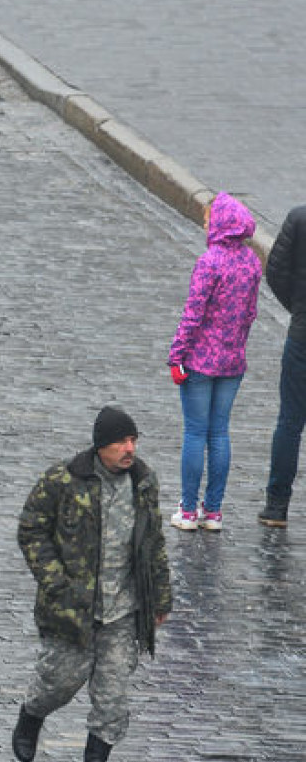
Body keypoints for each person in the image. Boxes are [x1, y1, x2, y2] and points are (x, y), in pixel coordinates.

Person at [12, 406, 172, 762]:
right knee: (60, 683)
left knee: (113, 695)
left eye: (133, 441)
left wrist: (161, 597)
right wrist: (55, 582)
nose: (129, 449)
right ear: (101, 445)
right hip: (74, 609)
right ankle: (31, 716)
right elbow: (31, 529)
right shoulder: (64, 480)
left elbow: (152, 543)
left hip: (123, 609)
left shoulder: (143, 482)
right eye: (121, 441)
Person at [166, 192, 261, 531]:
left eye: (208, 218)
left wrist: (176, 356)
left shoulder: (210, 262)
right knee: (219, 433)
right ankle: (214, 511)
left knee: (195, 432)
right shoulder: (251, 263)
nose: (205, 223)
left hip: (200, 362)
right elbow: (250, 313)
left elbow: (193, 314)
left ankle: (188, 510)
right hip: (232, 362)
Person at [258, 201, 306, 527]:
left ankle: (276, 507)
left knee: (289, 422)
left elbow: (275, 270)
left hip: (302, 337)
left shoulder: (299, 218)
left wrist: (298, 308)